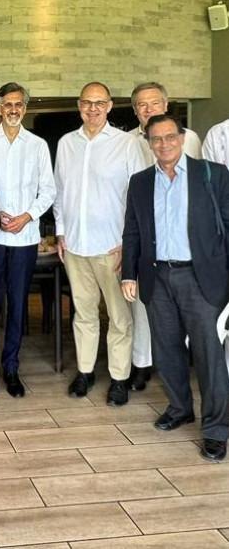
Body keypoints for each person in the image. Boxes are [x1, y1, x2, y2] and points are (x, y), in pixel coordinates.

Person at [122, 114, 229, 461]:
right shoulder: (140, 182)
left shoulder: (212, 175)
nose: (164, 144)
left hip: (201, 278)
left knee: (209, 355)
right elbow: (132, 231)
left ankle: (216, 430)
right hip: (157, 277)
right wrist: (128, 274)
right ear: (148, 143)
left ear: (182, 138)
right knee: (166, 349)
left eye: (170, 137)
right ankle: (180, 408)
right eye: (156, 139)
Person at [54, 82, 146, 406]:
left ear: (109, 106)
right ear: (79, 106)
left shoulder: (126, 144)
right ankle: (85, 371)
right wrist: (61, 232)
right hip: (75, 246)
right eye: (87, 103)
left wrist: (130, 244)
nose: (92, 109)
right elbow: (60, 192)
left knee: (120, 318)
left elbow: (139, 197)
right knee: (84, 314)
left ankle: (119, 378)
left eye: (99, 103)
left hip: (113, 248)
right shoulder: (66, 143)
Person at [0, 82, 56, 398]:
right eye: (7, 104)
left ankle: (11, 367)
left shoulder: (37, 145)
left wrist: (27, 216)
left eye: (18, 104)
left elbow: (48, 190)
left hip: (25, 238)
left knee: (18, 304)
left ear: (25, 107)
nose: (13, 109)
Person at [126, 82, 203, 391]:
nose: (149, 109)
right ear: (135, 111)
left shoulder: (189, 138)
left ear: (166, 105)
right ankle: (142, 364)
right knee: (143, 309)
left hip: (182, 245)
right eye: (142, 105)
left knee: (185, 314)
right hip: (145, 240)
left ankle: (182, 368)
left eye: (155, 103)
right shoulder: (126, 141)